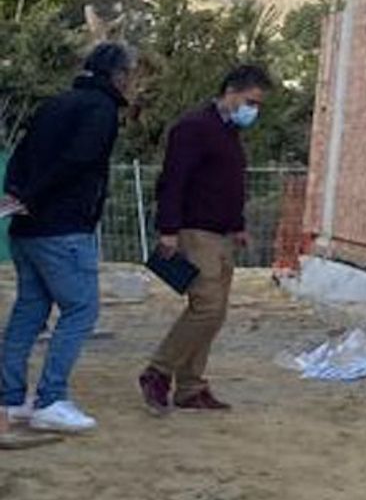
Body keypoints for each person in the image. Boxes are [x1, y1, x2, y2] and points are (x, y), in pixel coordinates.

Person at [1, 39, 140, 437]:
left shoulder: (55, 104)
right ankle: (50, 399)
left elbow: (21, 154)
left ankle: (10, 399)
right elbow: (78, 162)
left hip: (26, 228)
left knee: (29, 311)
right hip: (63, 228)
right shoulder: (101, 111)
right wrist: (37, 197)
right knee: (81, 310)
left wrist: (19, 197)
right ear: (118, 75)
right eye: (130, 74)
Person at [139, 61, 273, 416]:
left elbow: (227, 185)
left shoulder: (227, 132)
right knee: (207, 308)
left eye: (258, 104)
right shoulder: (194, 127)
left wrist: (238, 224)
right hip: (195, 231)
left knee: (215, 312)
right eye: (251, 101)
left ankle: (190, 386)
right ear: (231, 92)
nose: (253, 110)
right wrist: (169, 229)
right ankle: (159, 371)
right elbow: (174, 180)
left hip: (221, 233)